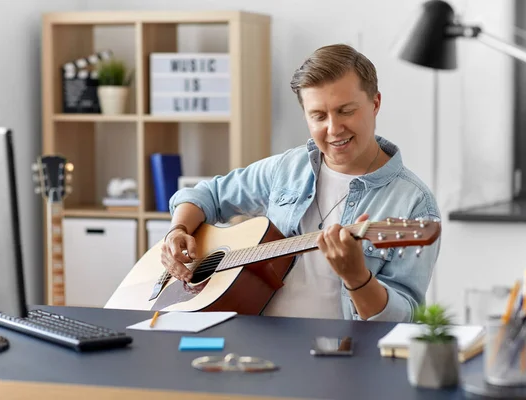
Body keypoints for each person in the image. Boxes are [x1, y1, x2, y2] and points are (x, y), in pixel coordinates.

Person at [162, 43, 441, 322]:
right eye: (318, 116)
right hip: (257, 346)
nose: (333, 129)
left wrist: (358, 278)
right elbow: (207, 194)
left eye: (345, 111)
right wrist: (178, 229)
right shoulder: (287, 168)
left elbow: (405, 319)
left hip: (345, 357)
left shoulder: (414, 204)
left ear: (375, 103)